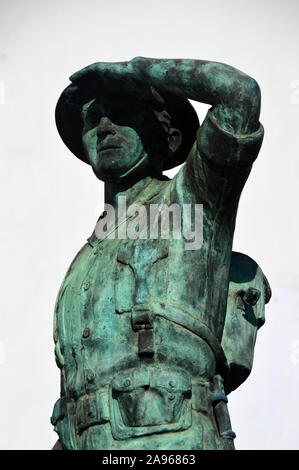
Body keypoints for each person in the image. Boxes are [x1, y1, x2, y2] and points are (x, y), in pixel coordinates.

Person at [51, 57, 270, 450]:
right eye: (94, 118)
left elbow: (240, 94)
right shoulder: (84, 260)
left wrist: (135, 70)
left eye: (121, 114)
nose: (104, 128)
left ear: (165, 137)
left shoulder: (192, 204)